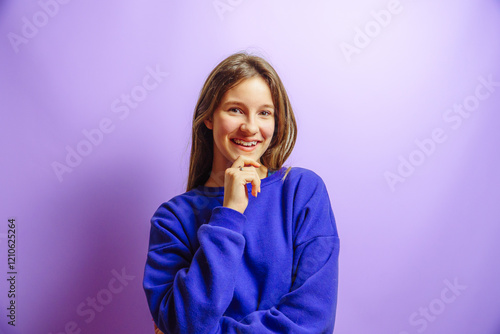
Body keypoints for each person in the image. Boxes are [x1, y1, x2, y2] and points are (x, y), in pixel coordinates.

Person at [143, 51, 340, 334]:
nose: (250, 127)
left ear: (277, 121)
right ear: (209, 117)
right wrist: (230, 214)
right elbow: (185, 323)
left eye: (264, 113)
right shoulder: (172, 219)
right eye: (235, 109)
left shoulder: (302, 191)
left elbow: (312, 321)